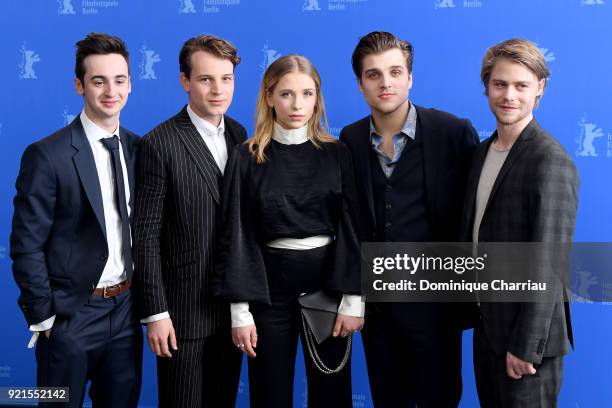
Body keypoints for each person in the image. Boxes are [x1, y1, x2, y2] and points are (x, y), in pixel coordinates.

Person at [214, 54, 364, 408]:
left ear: (317, 97)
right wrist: (240, 312)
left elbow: (353, 227)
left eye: (307, 94)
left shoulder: (337, 153)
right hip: (268, 289)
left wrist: (354, 299)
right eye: (286, 94)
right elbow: (236, 233)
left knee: (332, 392)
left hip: (328, 285)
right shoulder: (246, 156)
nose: (298, 105)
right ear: (269, 96)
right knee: (269, 392)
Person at [339, 31, 479, 407]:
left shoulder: (453, 133)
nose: (386, 83)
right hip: (378, 312)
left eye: (395, 72)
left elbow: (474, 217)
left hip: (436, 310)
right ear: (360, 84)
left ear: (410, 78)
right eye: (374, 75)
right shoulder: (348, 140)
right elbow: (349, 223)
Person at [10, 33, 142, 407]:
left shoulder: (139, 149)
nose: (110, 91)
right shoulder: (47, 155)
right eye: (98, 81)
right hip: (70, 317)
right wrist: (46, 318)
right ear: (79, 85)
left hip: (126, 311)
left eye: (119, 80)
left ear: (130, 84)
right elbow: (26, 243)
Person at [461, 38, 578, 407]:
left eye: (521, 85)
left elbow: (549, 264)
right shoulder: (482, 152)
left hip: (528, 347)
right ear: (487, 88)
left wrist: (525, 348)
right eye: (500, 84)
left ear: (540, 87)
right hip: (488, 332)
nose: (508, 95)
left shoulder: (549, 159)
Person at [132, 35, 245, 407]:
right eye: (205, 79)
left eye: (226, 78)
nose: (218, 89)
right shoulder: (159, 143)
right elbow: (145, 236)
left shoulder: (240, 134)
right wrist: (157, 312)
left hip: (231, 310)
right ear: (185, 81)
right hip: (181, 314)